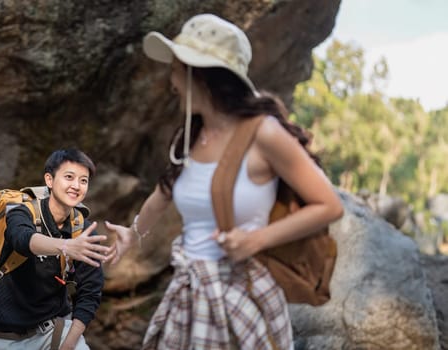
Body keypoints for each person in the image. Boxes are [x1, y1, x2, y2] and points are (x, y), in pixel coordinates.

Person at [104, 13, 344, 349]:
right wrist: (132, 235)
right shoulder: (192, 135)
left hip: (238, 299)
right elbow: (161, 196)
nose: (170, 78)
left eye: (175, 67)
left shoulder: (263, 133)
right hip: (188, 295)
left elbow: (329, 205)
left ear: (197, 73)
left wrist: (257, 240)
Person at [0, 148, 115, 350]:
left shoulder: (82, 231)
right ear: (49, 180)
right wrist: (65, 246)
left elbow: (91, 293)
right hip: (2, 335)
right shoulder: (21, 214)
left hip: (53, 331)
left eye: (83, 180)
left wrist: (68, 345)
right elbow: (23, 241)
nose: (76, 186)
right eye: (69, 177)